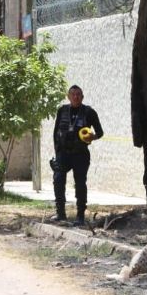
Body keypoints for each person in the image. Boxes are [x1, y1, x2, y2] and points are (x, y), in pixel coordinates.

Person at [51, 85, 104, 226]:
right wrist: (57, 153)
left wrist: (93, 137)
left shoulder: (89, 112)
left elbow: (100, 132)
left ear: (82, 97)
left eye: (79, 94)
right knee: (58, 179)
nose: (76, 97)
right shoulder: (62, 110)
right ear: (68, 96)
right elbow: (56, 133)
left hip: (80, 154)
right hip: (63, 153)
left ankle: (80, 215)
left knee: (80, 184)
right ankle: (60, 213)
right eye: (73, 94)